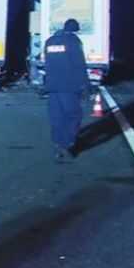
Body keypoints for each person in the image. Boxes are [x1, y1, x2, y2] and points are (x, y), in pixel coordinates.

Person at [44, 19, 89, 162]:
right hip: (69, 86)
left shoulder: (50, 41)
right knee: (73, 114)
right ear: (75, 29)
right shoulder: (73, 41)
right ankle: (68, 142)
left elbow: (47, 63)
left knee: (56, 117)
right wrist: (86, 86)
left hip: (52, 86)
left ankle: (57, 143)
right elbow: (79, 64)